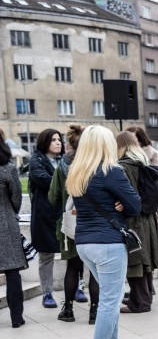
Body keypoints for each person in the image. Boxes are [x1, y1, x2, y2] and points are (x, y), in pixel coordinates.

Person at [66, 125, 141, 339]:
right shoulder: (111, 171)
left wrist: (117, 204)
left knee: (110, 294)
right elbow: (136, 205)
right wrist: (121, 205)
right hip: (107, 242)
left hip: (85, 243)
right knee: (111, 299)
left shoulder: (77, 172)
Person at [48, 124, 100, 324]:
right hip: (94, 221)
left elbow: (53, 197)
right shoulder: (95, 164)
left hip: (70, 223)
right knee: (94, 269)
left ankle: (68, 309)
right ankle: (94, 312)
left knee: (73, 266)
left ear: (69, 143)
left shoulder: (62, 167)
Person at [116, 132, 158, 314]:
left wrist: (120, 204)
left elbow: (125, 195)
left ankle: (141, 303)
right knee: (146, 262)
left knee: (136, 261)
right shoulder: (143, 162)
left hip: (134, 220)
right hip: (147, 219)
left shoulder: (124, 166)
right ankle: (144, 297)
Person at [28, 128, 65, 309]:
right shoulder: (36, 161)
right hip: (45, 215)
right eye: (53, 140)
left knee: (73, 253)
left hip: (65, 213)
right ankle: (47, 293)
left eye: (59, 139)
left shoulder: (65, 160)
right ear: (44, 142)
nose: (58, 142)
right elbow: (46, 181)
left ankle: (78, 287)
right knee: (46, 256)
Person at [0, 130, 26, 328]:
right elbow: (16, 196)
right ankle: (16, 318)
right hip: (5, 222)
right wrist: (10, 210)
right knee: (12, 273)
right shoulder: (8, 168)